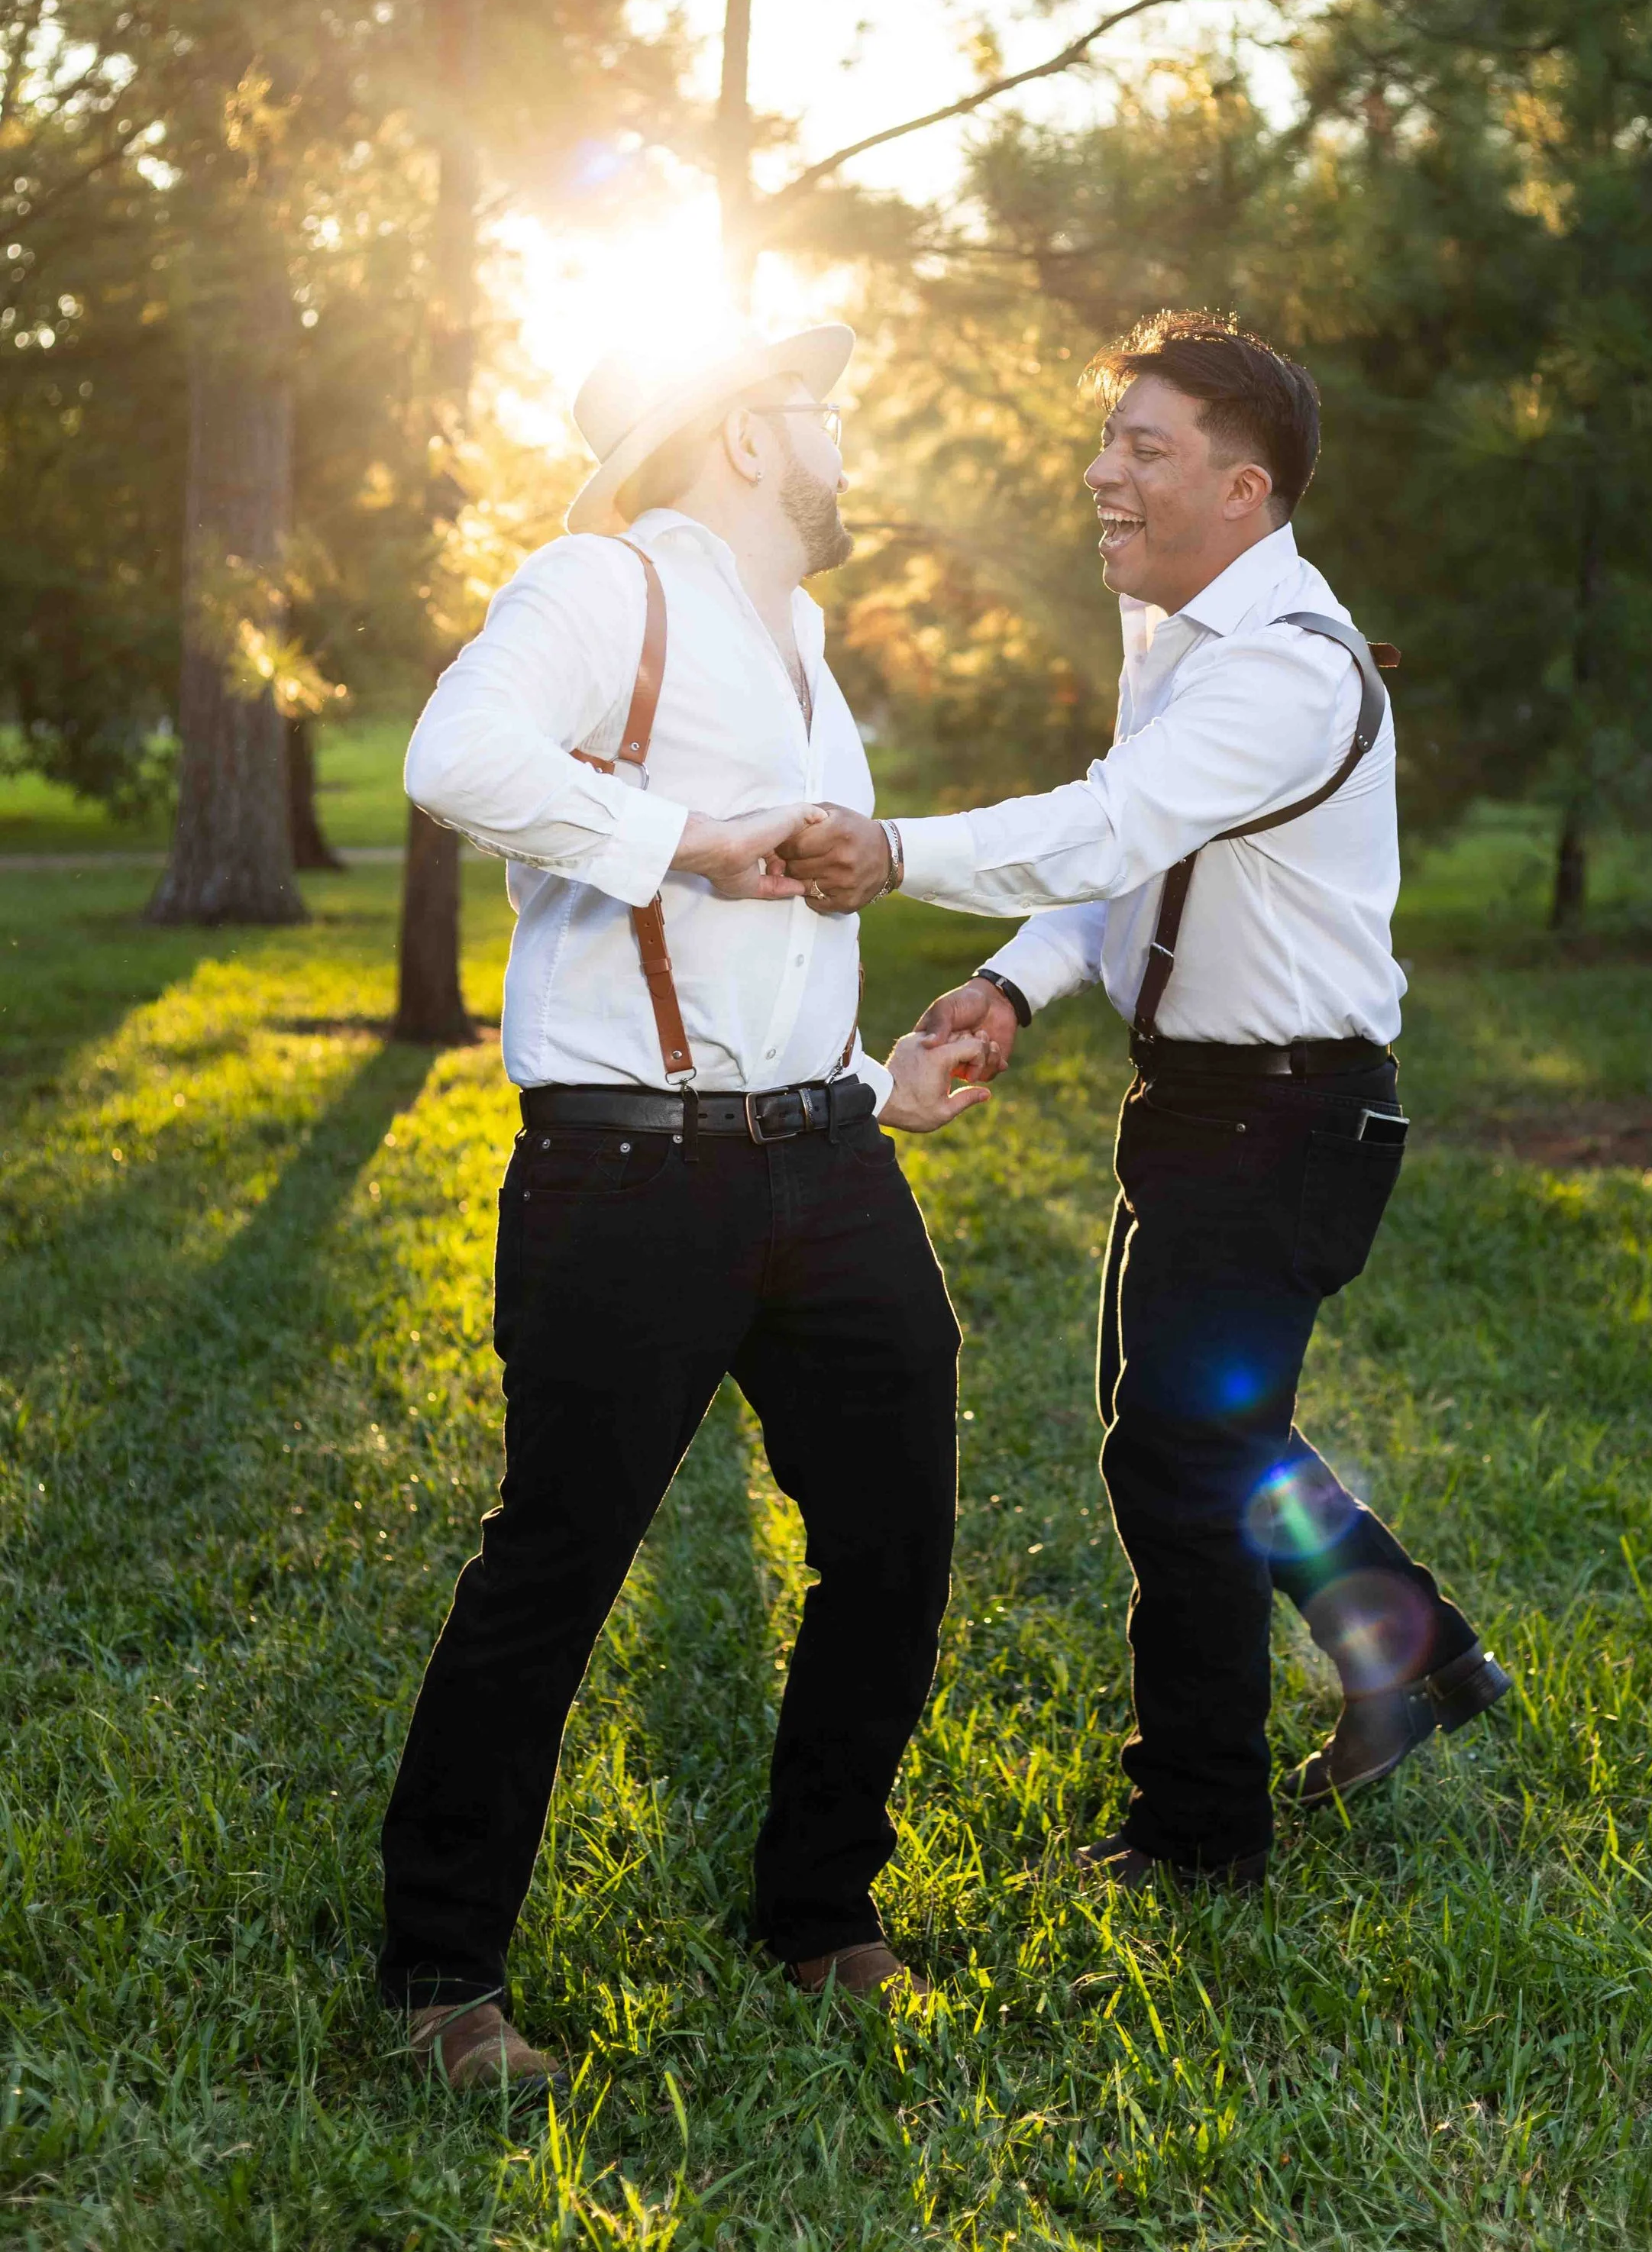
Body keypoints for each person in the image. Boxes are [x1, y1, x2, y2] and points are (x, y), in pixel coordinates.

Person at [781, 312, 1509, 1891]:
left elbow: (1108, 826)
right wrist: (1011, 985)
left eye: (1142, 447)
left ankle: (1198, 1836)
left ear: (1241, 490)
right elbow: (1133, 866)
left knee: (1173, 1456)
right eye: (1107, 438)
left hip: (1288, 1114)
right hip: (1205, 1108)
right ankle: (1419, 1652)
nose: (1099, 471)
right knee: (1205, 1430)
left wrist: (890, 847)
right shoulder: (1186, 644)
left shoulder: (1288, 674)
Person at [380, 322, 991, 2092]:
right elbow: (451, 754)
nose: (845, 438)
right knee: (555, 1563)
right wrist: (682, 841)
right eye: (823, 412)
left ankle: (819, 1913)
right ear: (739, 434)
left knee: (895, 1540)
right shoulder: (596, 588)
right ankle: (440, 1979)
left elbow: (777, 944)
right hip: (626, 1174)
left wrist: (875, 1084)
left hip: (830, 1163)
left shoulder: (802, 645)